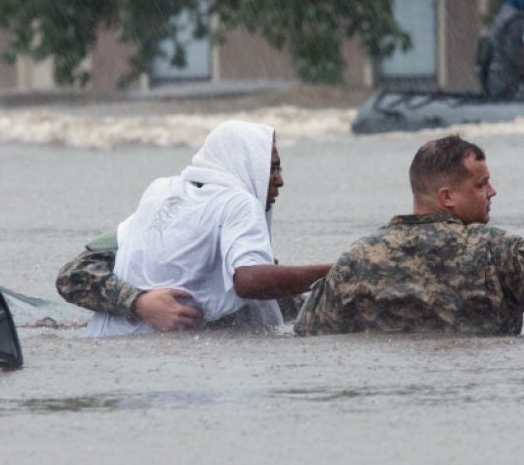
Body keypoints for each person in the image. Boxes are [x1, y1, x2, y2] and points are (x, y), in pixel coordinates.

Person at [293, 135, 524, 336]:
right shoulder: (495, 251)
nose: (492, 192)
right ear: (447, 197)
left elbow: (309, 333)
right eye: (481, 185)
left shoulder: (356, 259)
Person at [58, 120, 331, 336]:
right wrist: (140, 303)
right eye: (272, 169)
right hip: (143, 349)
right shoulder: (226, 203)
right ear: (247, 165)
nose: (279, 180)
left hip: (115, 342)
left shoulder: (168, 191)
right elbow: (74, 274)